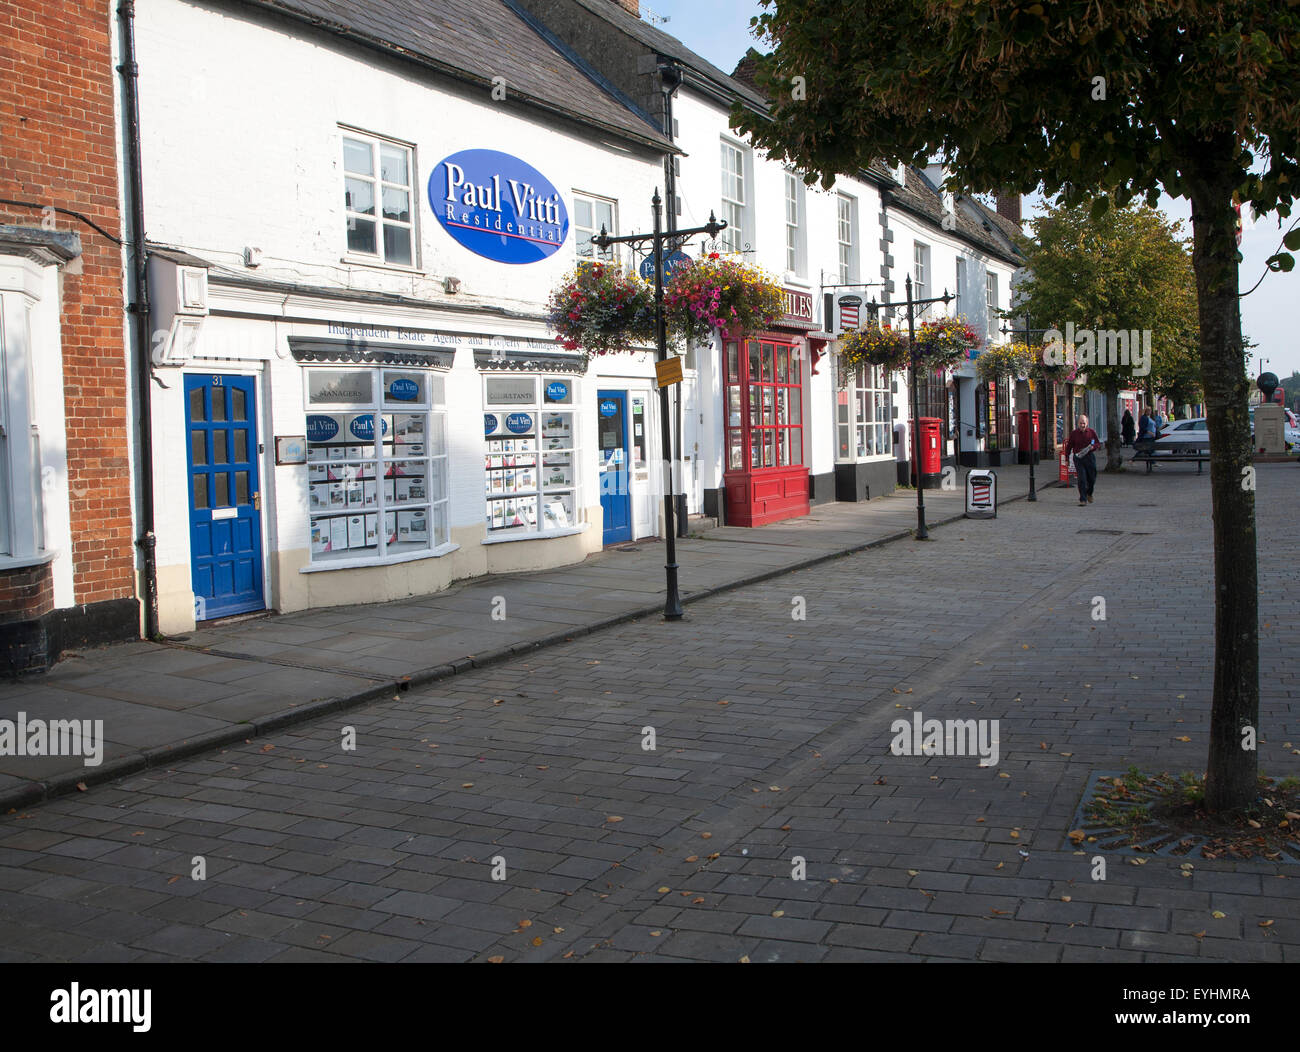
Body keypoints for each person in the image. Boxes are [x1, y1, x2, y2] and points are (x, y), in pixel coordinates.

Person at [1064, 413, 1100, 505]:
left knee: (1092, 478)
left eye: (1084, 423)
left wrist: (1093, 447)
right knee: (1082, 478)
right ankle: (1082, 499)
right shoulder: (1074, 434)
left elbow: (1097, 443)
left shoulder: (1091, 432)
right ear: (1078, 423)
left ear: (1087, 423)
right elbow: (1068, 447)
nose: (1082, 425)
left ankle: (1089, 493)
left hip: (1089, 457)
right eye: (1080, 423)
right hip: (1078, 458)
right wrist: (1067, 459)